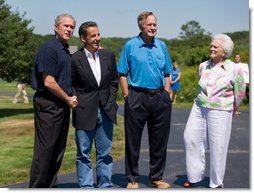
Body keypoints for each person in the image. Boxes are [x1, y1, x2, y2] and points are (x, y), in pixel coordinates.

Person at [117, 11, 173, 189]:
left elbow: (167, 73)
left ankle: (156, 177)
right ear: (141, 25)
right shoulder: (130, 46)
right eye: (149, 24)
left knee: (159, 140)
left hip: (159, 97)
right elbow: (122, 73)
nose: (153, 28)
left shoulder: (162, 46)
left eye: (155, 24)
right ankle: (132, 178)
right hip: (136, 96)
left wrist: (166, 93)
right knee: (133, 140)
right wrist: (127, 95)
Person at [183, 34, 246, 188]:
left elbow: (240, 91)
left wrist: (233, 107)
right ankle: (194, 177)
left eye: (215, 47)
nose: (211, 48)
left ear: (224, 51)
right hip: (199, 106)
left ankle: (216, 182)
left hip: (221, 109)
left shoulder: (235, 68)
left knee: (218, 145)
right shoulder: (203, 65)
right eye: (211, 46)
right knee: (190, 138)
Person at [29, 13, 78, 188]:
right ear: (56, 27)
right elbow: (48, 81)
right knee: (45, 150)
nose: (69, 29)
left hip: (61, 105)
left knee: (58, 149)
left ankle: (50, 187)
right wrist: (68, 99)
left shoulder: (65, 49)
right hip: (49, 104)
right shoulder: (49, 48)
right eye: (66, 26)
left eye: (72, 27)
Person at [71, 21, 118, 188]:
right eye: (93, 36)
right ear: (83, 38)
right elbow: (71, 84)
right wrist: (75, 99)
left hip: (106, 110)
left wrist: (111, 100)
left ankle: (105, 185)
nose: (97, 38)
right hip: (84, 111)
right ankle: (86, 187)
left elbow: (114, 82)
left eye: (98, 34)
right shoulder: (75, 59)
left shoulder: (108, 55)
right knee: (83, 153)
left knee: (105, 153)